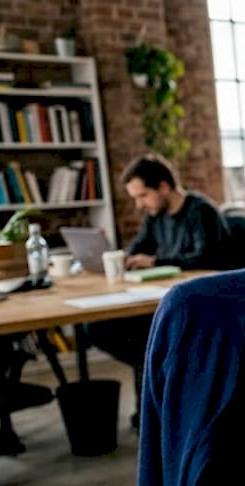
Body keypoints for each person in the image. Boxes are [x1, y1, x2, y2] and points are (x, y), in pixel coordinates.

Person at [90, 155, 229, 428]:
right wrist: (127, 258)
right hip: (166, 299)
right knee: (98, 330)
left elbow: (207, 259)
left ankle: (154, 410)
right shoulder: (156, 216)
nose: (139, 204)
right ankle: (161, 385)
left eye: (143, 195)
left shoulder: (201, 211)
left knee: (145, 339)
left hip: (201, 305)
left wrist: (155, 262)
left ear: (164, 187)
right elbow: (140, 247)